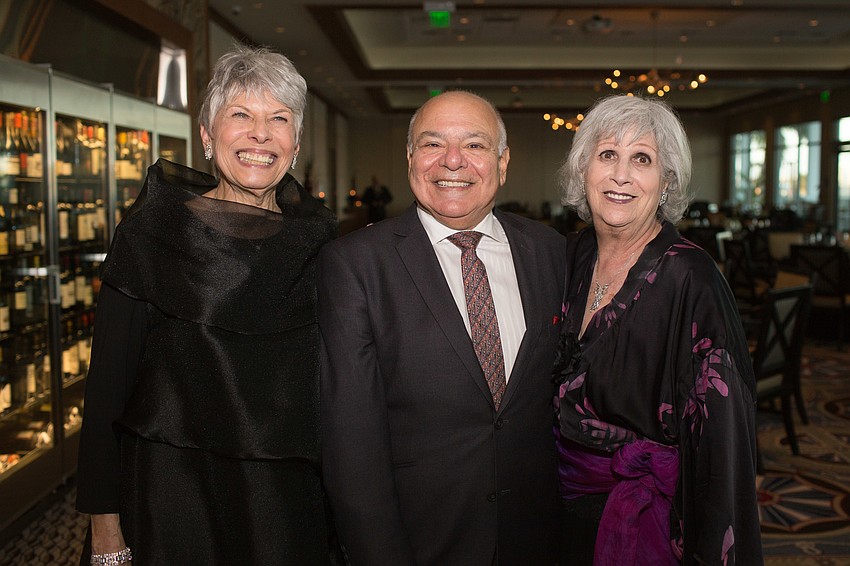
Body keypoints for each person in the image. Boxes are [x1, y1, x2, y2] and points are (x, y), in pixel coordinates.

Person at [75, 44, 338, 565]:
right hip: (173, 499)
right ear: (206, 135)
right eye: (240, 114)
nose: (261, 134)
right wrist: (106, 528)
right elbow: (107, 388)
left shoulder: (323, 245)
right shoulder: (151, 235)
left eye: (278, 119)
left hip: (285, 503)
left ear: (295, 143)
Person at [319, 90, 565, 565]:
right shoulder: (355, 264)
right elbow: (351, 442)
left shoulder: (549, 250)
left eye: (474, 145)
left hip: (538, 533)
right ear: (410, 157)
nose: (453, 161)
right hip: (420, 537)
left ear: (503, 161)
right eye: (433, 144)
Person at [554, 94, 763, 565]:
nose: (621, 175)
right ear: (582, 169)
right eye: (607, 154)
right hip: (554, 509)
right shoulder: (568, 257)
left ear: (665, 183)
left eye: (641, 159)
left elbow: (723, 448)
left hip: (646, 525)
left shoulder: (693, 278)